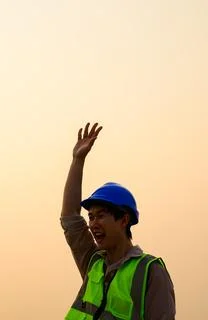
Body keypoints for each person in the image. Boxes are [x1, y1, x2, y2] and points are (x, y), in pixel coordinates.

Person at [61, 123, 175, 320]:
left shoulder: (150, 271)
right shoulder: (94, 263)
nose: (93, 223)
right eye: (91, 216)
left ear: (124, 220)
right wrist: (77, 160)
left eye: (101, 216)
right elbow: (70, 217)